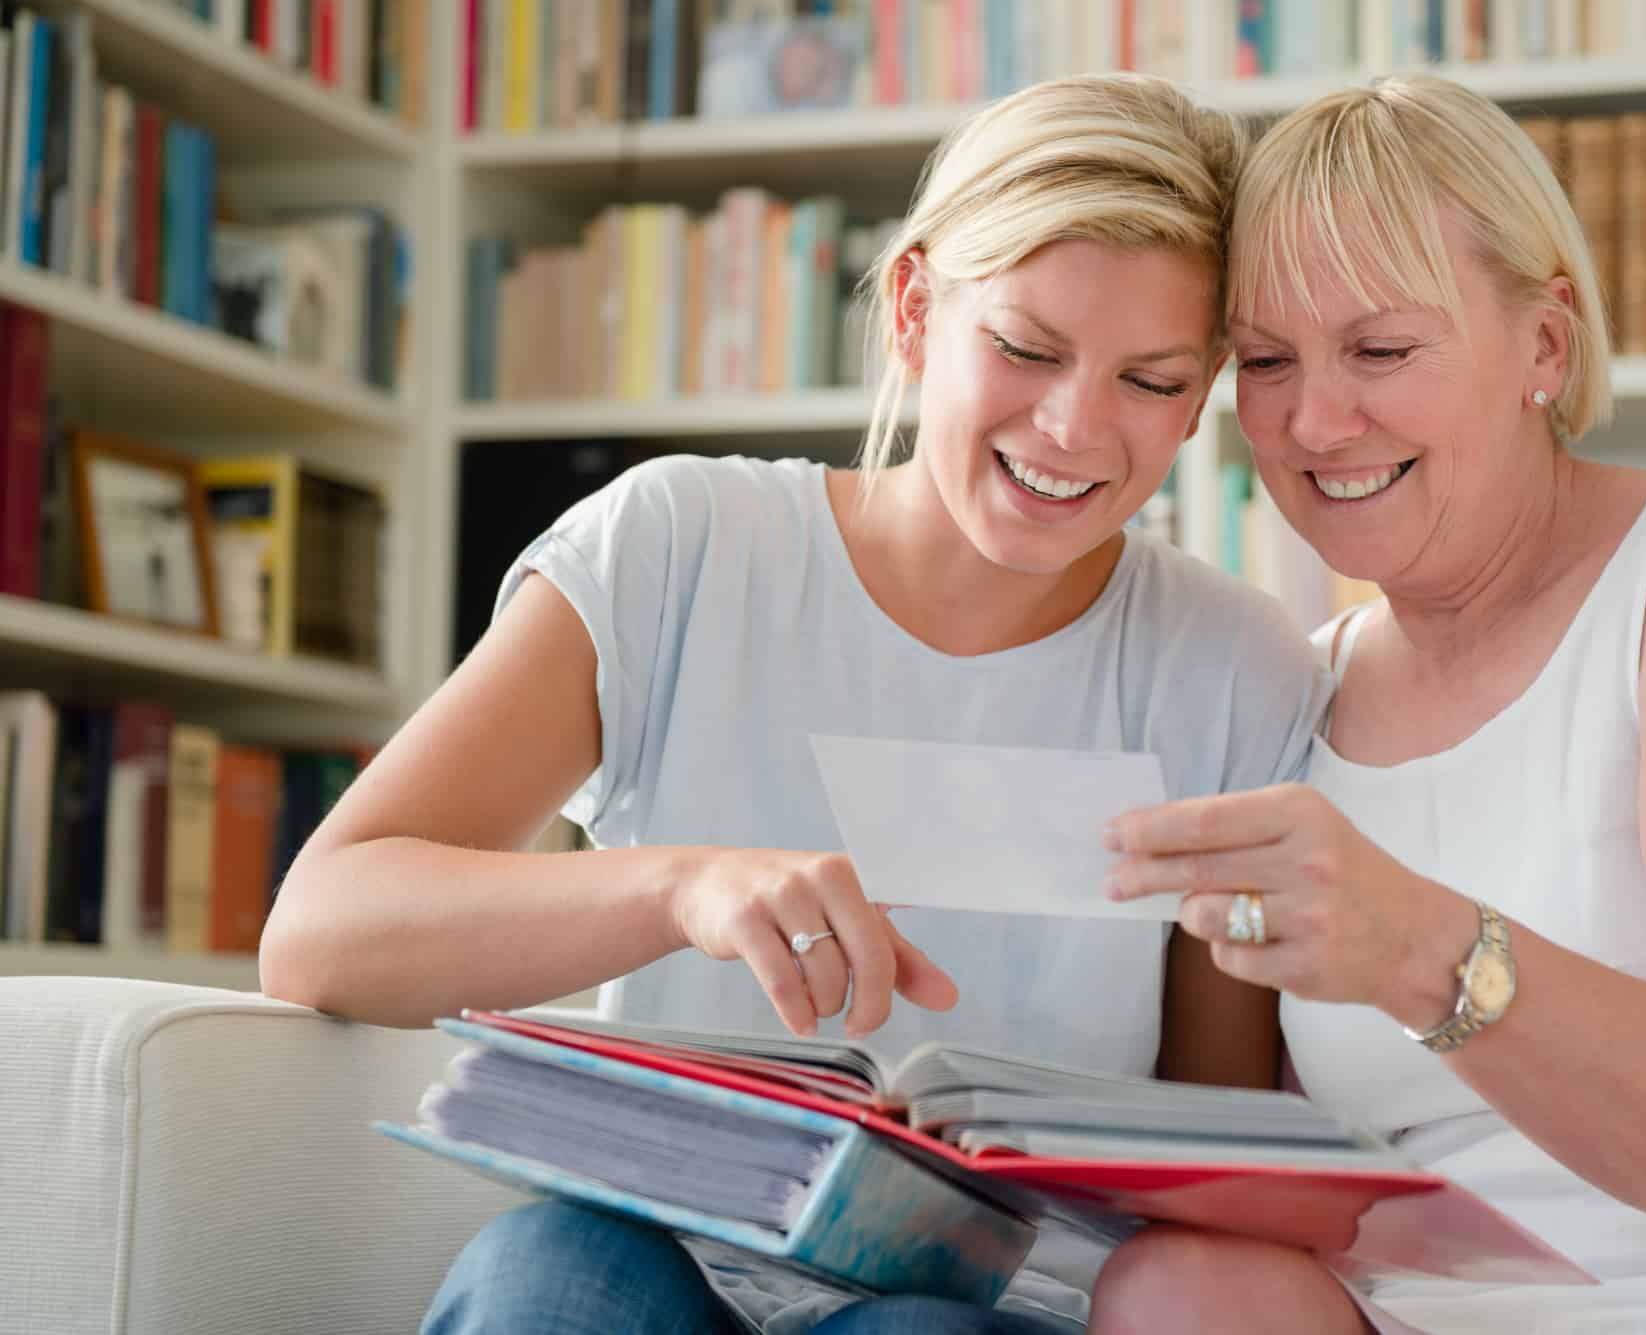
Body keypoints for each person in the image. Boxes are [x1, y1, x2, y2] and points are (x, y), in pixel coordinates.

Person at [259, 74, 1334, 1335]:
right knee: (546, 1274)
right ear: (916, 309)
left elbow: (1208, 1152)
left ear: (1205, 384)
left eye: (1148, 382)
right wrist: (681, 889)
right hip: (655, 1258)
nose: (1073, 428)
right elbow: (321, 932)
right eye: (1026, 350)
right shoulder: (679, 545)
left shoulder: (1232, 669)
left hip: (989, 1306)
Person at [1086, 74, 1646, 1334]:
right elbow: (1263, 1179)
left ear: (1544, 345)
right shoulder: (1303, 681)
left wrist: (1423, 947)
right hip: (1423, 1311)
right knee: (1171, 1288)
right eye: (1265, 361)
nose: (1312, 418)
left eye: (1381, 349)